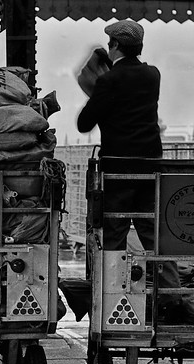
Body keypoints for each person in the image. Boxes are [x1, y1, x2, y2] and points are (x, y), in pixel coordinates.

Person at [76, 20, 182, 318]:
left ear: (116, 46)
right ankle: (170, 298)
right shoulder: (152, 75)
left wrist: (97, 84)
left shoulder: (108, 82)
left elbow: (85, 123)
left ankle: (113, 296)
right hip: (150, 168)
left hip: (118, 171)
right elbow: (132, 94)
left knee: (113, 236)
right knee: (154, 234)